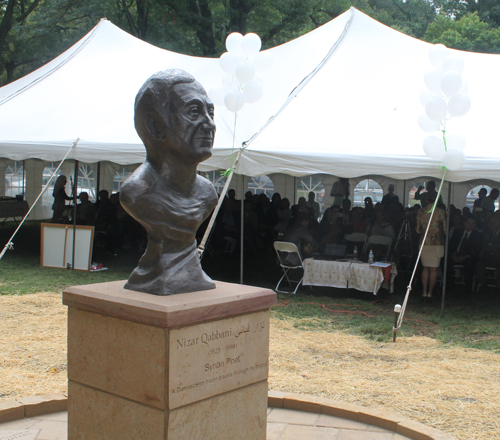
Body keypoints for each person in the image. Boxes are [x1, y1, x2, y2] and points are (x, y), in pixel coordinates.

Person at [120, 69, 218, 295]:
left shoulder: (207, 194)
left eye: (210, 112)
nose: (209, 124)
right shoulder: (136, 193)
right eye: (194, 112)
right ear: (154, 126)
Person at [416, 192, 447, 303]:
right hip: (437, 242)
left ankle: (424, 292)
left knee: (425, 268)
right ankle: (430, 293)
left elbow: (417, 230)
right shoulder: (441, 212)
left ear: (426, 200)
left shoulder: (420, 211)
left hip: (424, 242)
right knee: (434, 269)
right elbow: (445, 229)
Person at [448, 215, 482, 297]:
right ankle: (449, 286)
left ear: (475, 225)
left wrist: (464, 257)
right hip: (456, 255)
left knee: (469, 265)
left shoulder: (478, 235)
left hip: (468, 257)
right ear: (464, 223)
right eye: (468, 223)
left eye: (472, 224)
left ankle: (468, 290)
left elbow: (476, 250)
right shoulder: (457, 232)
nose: (470, 225)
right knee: (445, 262)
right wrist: (453, 255)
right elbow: (451, 246)